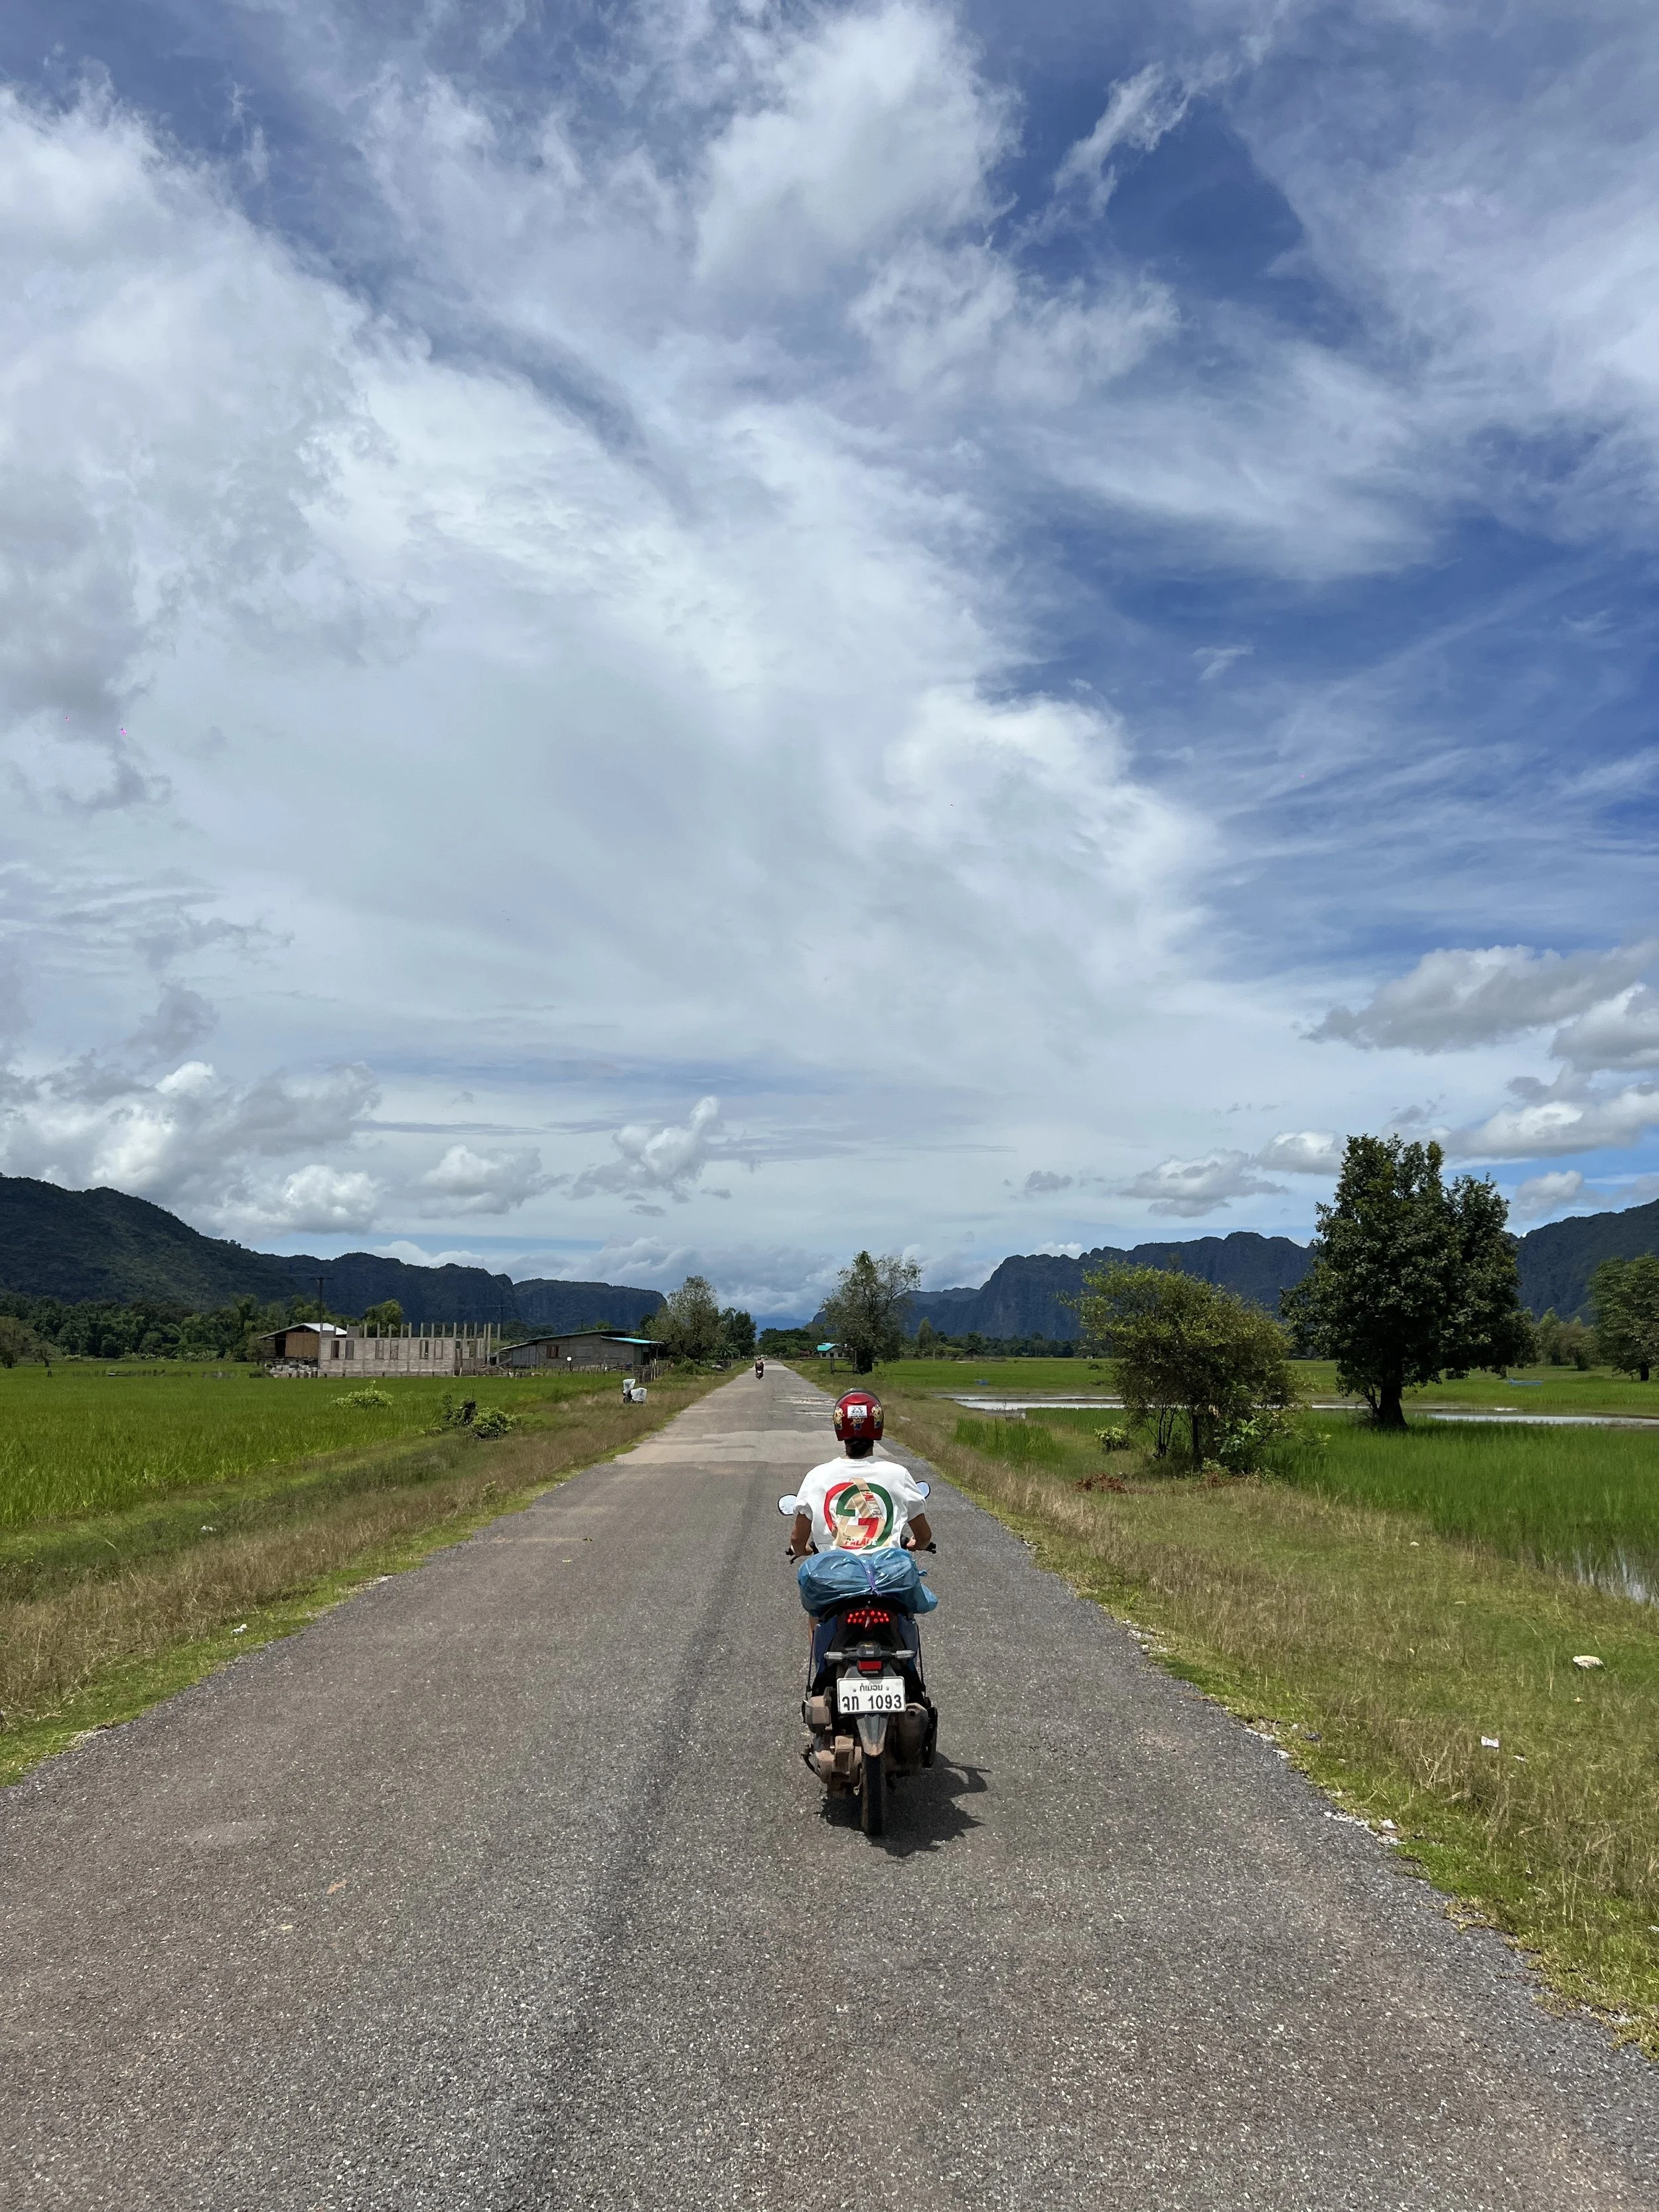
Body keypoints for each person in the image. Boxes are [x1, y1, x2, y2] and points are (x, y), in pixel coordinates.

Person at [788, 1389, 933, 1668]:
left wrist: (801, 1549)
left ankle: (821, 1676)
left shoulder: (817, 1476)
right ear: (878, 1427)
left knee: (816, 1615)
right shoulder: (897, 1474)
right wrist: (917, 1544)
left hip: (836, 1579)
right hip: (887, 1577)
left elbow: (798, 1537)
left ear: (839, 1428)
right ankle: (909, 1677)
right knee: (905, 1617)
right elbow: (924, 1536)